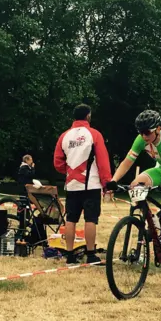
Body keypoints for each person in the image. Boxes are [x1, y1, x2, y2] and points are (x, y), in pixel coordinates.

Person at [105, 110, 161, 280]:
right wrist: (113, 180)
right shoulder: (140, 140)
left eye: (147, 132)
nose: (144, 136)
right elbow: (127, 162)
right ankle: (155, 224)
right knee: (135, 185)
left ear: (158, 129)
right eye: (141, 132)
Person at [54, 104, 111, 265]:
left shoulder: (64, 136)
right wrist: (107, 183)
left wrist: (68, 171)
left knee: (71, 219)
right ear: (88, 116)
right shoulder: (94, 135)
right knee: (91, 219)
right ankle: (91, 254)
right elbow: (103, 161)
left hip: (71, 185)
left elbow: (57, 162)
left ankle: (70, 254)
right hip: (91, 184)